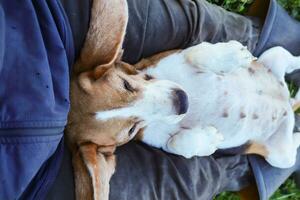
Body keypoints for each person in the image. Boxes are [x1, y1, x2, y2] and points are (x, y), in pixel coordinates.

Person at [0, 0, 299, 200]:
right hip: (30, 177)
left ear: (113, 63)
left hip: (37, 25)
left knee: (190, 23)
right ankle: (251, 161)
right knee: (188, 183)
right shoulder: (109, 140)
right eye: (130, 130)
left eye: (128, 87)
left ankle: (256, 39)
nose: (169, 105)